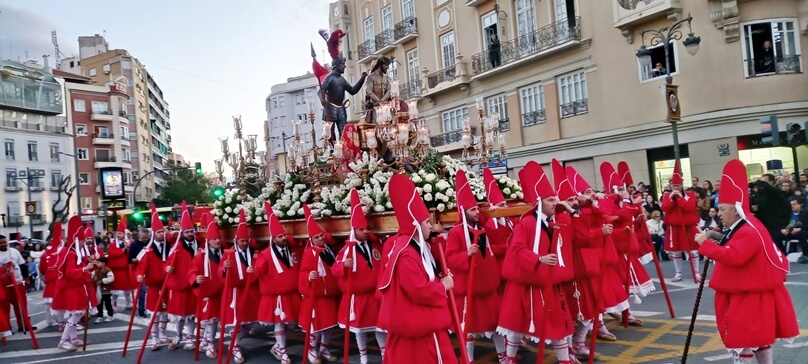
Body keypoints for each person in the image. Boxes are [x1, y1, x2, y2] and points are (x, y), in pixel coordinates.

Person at [695, 159, 798, 364]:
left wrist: (704, 245)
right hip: (749, 292)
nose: (719, 214)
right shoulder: (747, 225)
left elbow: (735, 256)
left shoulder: (748, 231)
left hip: (746, 295)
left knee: (742, 340)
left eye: (723, 209)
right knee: (758, 339)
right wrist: (715, 238)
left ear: (735, 210)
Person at [497, 161, 575, 364]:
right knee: (516, 324)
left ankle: (565, 360)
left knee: (558, 323)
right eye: (550, 200)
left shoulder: (553, 221)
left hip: (548, 281)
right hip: (527, 282)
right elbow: (517, 249)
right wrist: (538, 259)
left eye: (555, 200)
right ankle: (509, 358)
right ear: (540, 203)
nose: (554, 204)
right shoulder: (527, 222)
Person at [378, 174, 458, 364]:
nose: (430, 226)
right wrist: (443, 286)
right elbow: (417, 289)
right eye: (426, 223)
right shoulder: (406, 254)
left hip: (422, 323)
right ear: (415, 225)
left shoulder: (416, 248)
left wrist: (441, 279)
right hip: (416, 325)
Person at [445, 170, 508, 363]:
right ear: (463, 212)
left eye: (477, 209)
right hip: (468, 291)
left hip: (488, 289)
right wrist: (466, 255)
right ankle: (468, 358)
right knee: (468, 329)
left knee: (497, 326)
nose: (477, 212)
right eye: (472, 210)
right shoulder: (456, 233)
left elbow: (495, 244)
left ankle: (504, 357)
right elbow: (449, 258)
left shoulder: (483, 229)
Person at [553, 160, 602, 360]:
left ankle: (579, 343)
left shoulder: (574, 215)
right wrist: (572, 212)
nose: (575, 202)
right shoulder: (561, 219)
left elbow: (586, 236)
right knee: (568, 316)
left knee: (588, 313)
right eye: (571, 199)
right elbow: (578, 236)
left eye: (575, 198)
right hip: (567, 273)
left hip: (581, 271)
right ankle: (569, 350)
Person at [331, 189, 386, 364]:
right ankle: (363, 355)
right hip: (357, 298)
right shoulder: (346, 250)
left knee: (380, 327)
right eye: (361, 229)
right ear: (354, 230)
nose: (365, 232)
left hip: (374, 297)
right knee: (359, 329)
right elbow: (335, 269)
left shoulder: (376, 245)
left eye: (366, 228)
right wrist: (342, 266)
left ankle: (385, 354)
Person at [255, 203, 299, 364]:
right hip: (275, 296)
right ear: (273, 239)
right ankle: (282, 350)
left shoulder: (291, 250)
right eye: (280, 236)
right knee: (279, 324)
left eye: (284, 235)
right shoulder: (265, 255)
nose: (284, 238)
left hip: (291, 294)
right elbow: (257, 272)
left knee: (293, 324)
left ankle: (278, 346)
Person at [299, 204, 341, 363]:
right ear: (311, 240)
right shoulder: (309, 253)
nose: (321, 238)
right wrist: (308, 276)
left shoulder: (329, 249)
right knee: (315, 327)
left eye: (321, 235)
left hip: (329, 294)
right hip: (315, 297)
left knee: (329, 326)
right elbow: (302, 272)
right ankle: (311, 350)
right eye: (317, 237)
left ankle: (324, 349)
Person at [219, 210, 260, 364]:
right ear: (236, 240)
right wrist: (225, 267)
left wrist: (254, 272)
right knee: (235, 321)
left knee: (249, 319)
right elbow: (220, 271)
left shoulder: (254, 253)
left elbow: (260, 267)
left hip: (250, 291)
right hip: (234, 292)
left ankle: (241, 335)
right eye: (242, 240)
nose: (245, 243)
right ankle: (235, 346)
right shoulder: (229, 253)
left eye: (246, 240)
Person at [51, 216, 95, 351]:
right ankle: (63, 341)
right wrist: (85, 269)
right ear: (76, 241)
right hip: (73, 288)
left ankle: (74, 339)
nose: (83, 243)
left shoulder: (73, 252)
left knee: (75, 314)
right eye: (82, 241)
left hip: (76, 287)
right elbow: (70, 272)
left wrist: (89, 267)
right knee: (76, 315)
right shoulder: (71, 254)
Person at [188, 218, 225, 359]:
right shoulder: (200, 257)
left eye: (218, 239)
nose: (217, 241)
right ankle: (210, 345)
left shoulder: (224, 254)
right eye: (214, 239)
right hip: (207, 293)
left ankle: (206, 341)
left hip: (221, 293)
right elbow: (191, 271)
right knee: (210, 321)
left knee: (216, 320)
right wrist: (195, 279)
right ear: (208, 241)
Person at [320, 28, 368, 139]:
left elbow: (352, 90)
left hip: (341, 109)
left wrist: (362, 79)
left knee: (344, 135)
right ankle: (333, 152)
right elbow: (321, 91)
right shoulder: (330, 78)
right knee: (331, 136)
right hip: (331, 108)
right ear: (337, 65)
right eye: (343, 64)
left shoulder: (341, 79)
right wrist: (324, 101)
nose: (345, 66)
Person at [136, 206, 172, 350]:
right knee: (154, 314)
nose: (161, 234)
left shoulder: (169, 246)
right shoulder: (147, 250)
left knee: (166, 313)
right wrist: (139, 275)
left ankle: (163, 334)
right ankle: (154, 338)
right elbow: (140, 267)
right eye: (158, 232)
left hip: (167, 285)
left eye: (162, 231)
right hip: (153, 286)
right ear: (153, 234)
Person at [661, 160, 702, 283]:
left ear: (682, 185)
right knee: (676, 251)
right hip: (674, 227)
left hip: (689, 226)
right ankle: (678, 273)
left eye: (677, 185)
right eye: (673, 186)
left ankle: (696, 273)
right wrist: (672, 199)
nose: (675, 188)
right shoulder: (667, 196)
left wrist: (679, 198)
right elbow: (664, 208)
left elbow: (689, 207)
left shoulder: (690, 195)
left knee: (693, 250)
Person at [165, 203, 199, 351]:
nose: (190, 234)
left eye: (191, 231)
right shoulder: (177, 249)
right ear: (182, 233)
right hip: (180, 285)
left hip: (195, 286)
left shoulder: (200, 245)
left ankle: (190, 338)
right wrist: (167, 268)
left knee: (192, 315)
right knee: (179, 315)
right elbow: (167, 263)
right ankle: (178, 335)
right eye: (187, 232)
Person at [0, 233, 35, 333]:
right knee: (5, 308)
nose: (3, 244)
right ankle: (7, 328)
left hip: (18, 283)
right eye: (0, 243)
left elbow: (23, 265)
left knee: (21, 306)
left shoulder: (14, 251)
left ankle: (24, 325)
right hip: (4, 286)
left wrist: (27, 279)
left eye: (4, 242)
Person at [40, 222, 65, 328]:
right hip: (57, 281)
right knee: (58, 303)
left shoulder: (45, 255)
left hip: (50, 281)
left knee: (49, 303)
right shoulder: (61, 253)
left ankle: (50, 320)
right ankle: (60, 323)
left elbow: (42, 269)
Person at [107, 219, 135, 312]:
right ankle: (114, 304)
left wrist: (129, 248)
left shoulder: (130, 243)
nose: (118, 235)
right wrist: (123, 249)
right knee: (116, 289)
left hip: (127, 269)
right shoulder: (113, 244)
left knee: (128, 288)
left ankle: (128, 302)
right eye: (117, 233)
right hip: (117, 270)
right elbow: (112, 254)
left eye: (120, 233)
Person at [364, 56, 391, 123]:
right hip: (375, 107)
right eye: (386, 65)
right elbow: (369, 92)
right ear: (380, 65)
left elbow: (389, 90)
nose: (387, 67)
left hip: (385, 107)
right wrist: (378, 100)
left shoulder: (386, 78)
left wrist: (382, 100)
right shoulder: (371, 77)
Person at [93, 256, 115, 323]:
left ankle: (110, 315)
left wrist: (102, 281)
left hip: (106, 290)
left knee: (107, 303)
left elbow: (111, 278)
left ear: (104, 263)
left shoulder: (108, 270)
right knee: (99, 303)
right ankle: (100, 316)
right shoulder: (96, 271)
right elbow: (91, 275)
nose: (97, 264)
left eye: (98, 262)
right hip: (98, 289)